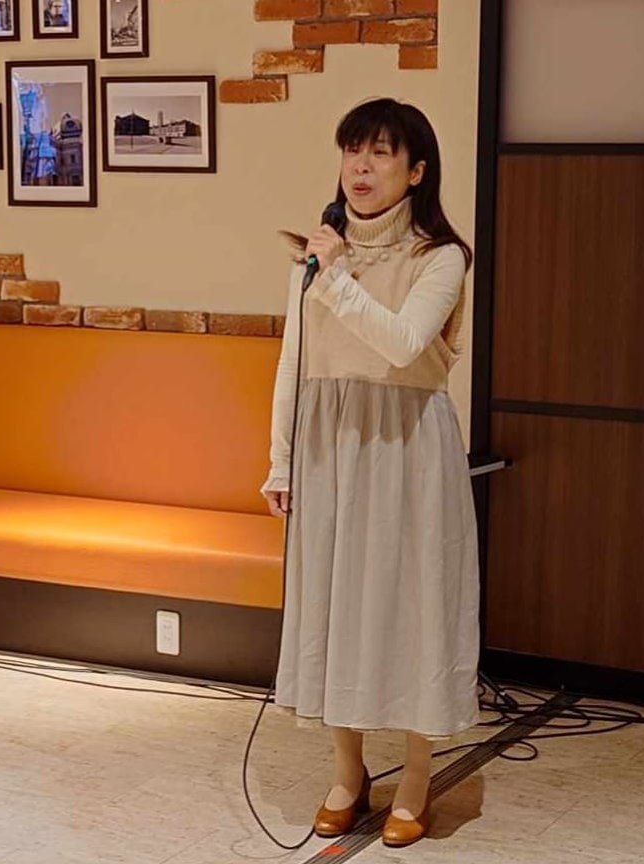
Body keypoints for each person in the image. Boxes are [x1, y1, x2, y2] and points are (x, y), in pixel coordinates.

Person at [260, 97, 479, 848]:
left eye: (381, 152)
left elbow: (402, 343)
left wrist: (334, 275)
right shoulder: (316, 259)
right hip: (330, 440)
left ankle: (416, 776)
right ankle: (348, 771)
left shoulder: (441, 258)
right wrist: (281, 459)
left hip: (407, 443)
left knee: (416, 607)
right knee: (334, 606)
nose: (361, 167)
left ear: (415, 171)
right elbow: (294, 364)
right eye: (353, 150)